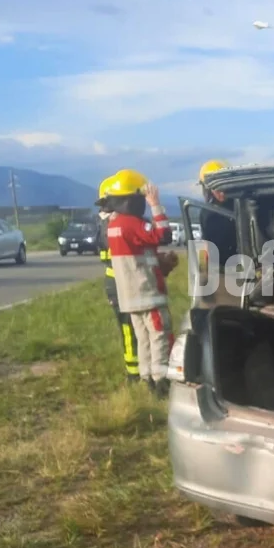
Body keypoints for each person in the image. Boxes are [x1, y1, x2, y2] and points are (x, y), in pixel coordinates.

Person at [105, 169, 174, 398]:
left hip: (130, 296)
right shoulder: (130, 223)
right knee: (158, 336)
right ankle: (161, 383)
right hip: (147, 293)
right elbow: (163, 235)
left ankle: (146, 380)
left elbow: (141, 249)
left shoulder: (114, 225)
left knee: (143, 338)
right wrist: (156, 205)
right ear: (131, 199)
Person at [96, 174, 140, 383]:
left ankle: (138, 369)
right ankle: (134, 373)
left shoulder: (108, 224)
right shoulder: (110, 226)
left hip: (120, 281)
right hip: (119, 283)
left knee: (132, 327)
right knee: (128, 327)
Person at [197, 159, 238, 266]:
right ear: (208, 188)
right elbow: (208, 247)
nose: (221, 192)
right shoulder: (206, 212)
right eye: (216, 188)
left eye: (223, 186)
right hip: (221, 268)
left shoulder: (241, 205)